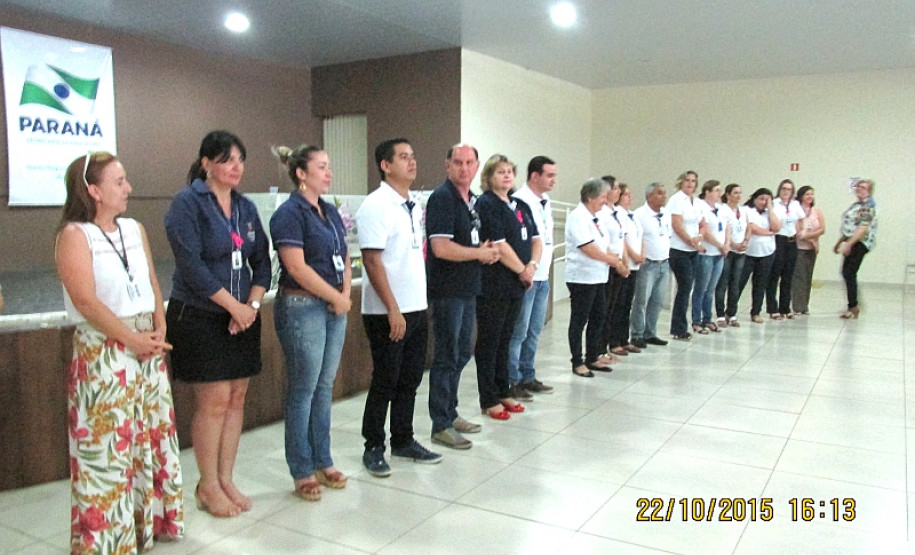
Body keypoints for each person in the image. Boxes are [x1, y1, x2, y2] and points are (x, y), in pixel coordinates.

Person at [58, 152, 183, 552]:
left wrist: (160, 324)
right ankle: (105, 538)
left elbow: (149, 279)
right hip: (105, 355)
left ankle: (145, 527)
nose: (128, 188)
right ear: (93, 191)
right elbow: (87, 302)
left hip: (145, 347)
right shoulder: (75, 236)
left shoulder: (134, 228)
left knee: (149, 438)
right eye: (119, 182)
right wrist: (130, 340)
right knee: (107, 448)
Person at [164, 131, 269, 517]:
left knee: (236, 397)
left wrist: (251, 305)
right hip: (200, 316)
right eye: (227, 159)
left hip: (244, 316)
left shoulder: (245, 207)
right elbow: (192, 267)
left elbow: (263, 262)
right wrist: (233, 308)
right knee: (214, 401)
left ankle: (226, 478)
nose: (236, 167)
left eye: (240, 159)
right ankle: (206, 485)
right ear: (207, 163)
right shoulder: (187, 204)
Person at [270, 144, 352, 501]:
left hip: (335, 305)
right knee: (303, 389)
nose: (327, 172)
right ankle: (301, 468)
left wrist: (344, 293)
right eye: (320, 167)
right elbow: (297, 267)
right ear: (301, 173)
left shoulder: (330, 211)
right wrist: (335, 297)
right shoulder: (289, 213)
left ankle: (323, 458)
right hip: (303, 305)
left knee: (324, 386)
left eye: (329, 166)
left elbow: (345, 255)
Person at [357, 139, 442, 478]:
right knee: (386, 379)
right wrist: (392, 308)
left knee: (409, 378)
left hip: (416, 306)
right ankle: (373, 446)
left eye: (413, 155)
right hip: (386, 311)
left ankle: (403, 439)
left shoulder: (414, 204)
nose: (412, 162)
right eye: (403, 157)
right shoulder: (376, 205)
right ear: (385, 165)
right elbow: (372, 260)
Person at [426, 143, 500, 450]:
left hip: (468, 288)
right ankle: (440, 423)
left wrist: (483, 250)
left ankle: (451, 412)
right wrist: (478, 253)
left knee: (460, 354)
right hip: (448, 292)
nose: (464, 168)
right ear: (447, 165)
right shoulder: (442, 199)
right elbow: (440, 247)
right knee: (445, 357)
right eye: (458, 162)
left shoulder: (471, 201)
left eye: (469, 162)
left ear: (477, 165)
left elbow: (468, 239)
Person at [474, 154, 540, 419]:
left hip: (517, 284)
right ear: (489, 177)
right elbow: (499, 246)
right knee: (490, 341)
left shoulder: (520, 205)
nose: (506, 176)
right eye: (500, 172)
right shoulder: (486, 204)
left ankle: (503, 389)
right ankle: (488, 397)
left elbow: (536, 238)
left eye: (510, 171)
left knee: (506, 339)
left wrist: (532, 265)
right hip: (494, 284)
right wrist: (523, 270)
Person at [506, 156, 557, 401]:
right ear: (534, 176)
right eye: (549, 175)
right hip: (526, 276)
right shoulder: (520, 201)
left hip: (543, 274)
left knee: (535, 330)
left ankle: (528, 375)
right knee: (519, 332)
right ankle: (512, 379)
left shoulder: (545, 200)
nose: (553, 180)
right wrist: (526, 269)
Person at [565, 178, 621, 377]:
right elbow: (587, 247)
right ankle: (577, 361)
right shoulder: (577, 216)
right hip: (582, 277)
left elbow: (602, 244)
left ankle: (592, 357)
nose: (605, 201)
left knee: (598, 317)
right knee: (579, 320)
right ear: (590, 197)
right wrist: (610, 259)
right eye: (603, 197)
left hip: (598, 276)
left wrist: (612, 257)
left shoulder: (595, 217)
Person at [629, 182, 671, 349]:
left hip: (664, 263)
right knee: (641, 301)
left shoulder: (666, 214)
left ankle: (650, 332)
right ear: (649, 196)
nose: (663, 196)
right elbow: (634, 238)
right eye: (659, 193)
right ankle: (637, 334)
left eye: (664, 193)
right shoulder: (639, 214)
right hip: (648, 264)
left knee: (657, 301)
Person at [667, 171, 706, 340]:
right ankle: (678, 327)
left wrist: (700, 237)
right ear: (681, 182)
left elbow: (702, 224)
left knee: (689, 287)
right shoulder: (676, 200)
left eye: (693, 181)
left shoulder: (697, 202)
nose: (690, 184)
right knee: (684, 287)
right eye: (687, 181)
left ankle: (684, 323)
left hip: (693, 249)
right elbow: (677, 225)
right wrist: (690, 240)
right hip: (679, 249)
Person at [833, 179, 877, 319]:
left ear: (869, 191)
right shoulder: (857, 205)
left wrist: (849, 243)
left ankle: (853, 306)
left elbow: (862, 229)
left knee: (849, 272)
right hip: (851, 241)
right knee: (847, 272)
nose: (859, 189)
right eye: (858, 186)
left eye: (863, 187)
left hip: (860, 243)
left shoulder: (867, 206)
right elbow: (849, 226)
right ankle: (853, 305)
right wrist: (840, 242)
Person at [608, 183, 644, 353]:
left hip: (634, 265)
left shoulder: (632, 215)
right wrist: (629, 258)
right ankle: (614, 341)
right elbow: (624, 241)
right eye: (626, 194)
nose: (630, 197)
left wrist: (641, 254)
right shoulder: (617, 213)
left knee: (627, 305)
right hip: (623, 264)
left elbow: (640, 236)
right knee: (618, 305)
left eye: (630, 194)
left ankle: (624, 338)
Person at [737, 188, 781, 323]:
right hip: (748, 252)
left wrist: (770, 208)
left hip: (767, 252)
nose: (763, 202)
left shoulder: (771, 212)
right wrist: (769, 233)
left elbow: (777, 227)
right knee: (739, 282)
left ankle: (755, 312)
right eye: (761, 199)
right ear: (754, 198)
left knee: (760, 284)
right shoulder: (746, 210)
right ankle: (730, 311)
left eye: (767, 200)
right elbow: (752, 228)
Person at [598, 176, 631, 358]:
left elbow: (621, 240)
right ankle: (599, 349)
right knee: (604, 310)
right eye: (616, 188)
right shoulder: (601, 212)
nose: (618, 191)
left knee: (615, 308)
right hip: (608, 265)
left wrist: (625, 262)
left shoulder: (616, 212)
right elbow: (604, 242)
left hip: (619, 264)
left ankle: (610, 344)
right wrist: (617, 263)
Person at [765, 179, 806, 320]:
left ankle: (785, 307)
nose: (786, 191)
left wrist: (801, 231)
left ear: (792, 191)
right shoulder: (774, 203)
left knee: (788, 276)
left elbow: (801, 220)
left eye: (789, 189)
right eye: (783, 188)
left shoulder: (795, 205)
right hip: (778, 240)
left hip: (792, 240)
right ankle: (772, 308)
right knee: (774, 275)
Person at [692, 180, 729, 333]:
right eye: (716, 190)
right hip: (707, 253)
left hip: (719, 254)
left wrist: (727, 244)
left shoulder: (721, 208)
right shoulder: (700, 207)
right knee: (701, 288)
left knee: (711, 289)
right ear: (707, 191)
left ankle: (707, 318)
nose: (719, 194)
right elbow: (704, 231)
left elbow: (727, 227)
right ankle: (696, 320)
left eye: (720, 191)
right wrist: (719, 245)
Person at [715, 184, 751, 327]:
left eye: (740, 193)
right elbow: (725, 229)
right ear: (728, 195)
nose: (738, 195)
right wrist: (733, 244)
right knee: (723, 283)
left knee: (736, 284)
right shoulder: (722, 210)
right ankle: (720, 314)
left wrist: (746, 241)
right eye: (735, 193)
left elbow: (748, 227)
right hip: (728, 251)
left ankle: (732, 312)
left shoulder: (743, 210)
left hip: (741, 252)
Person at [791, 186, 825, 315]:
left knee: (808, 277)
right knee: (799, 277)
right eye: (807, 194)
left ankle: (805, 306)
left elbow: (822, 229)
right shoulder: (796, 211)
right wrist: (810, 239)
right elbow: (798, 232)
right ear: (801, 196)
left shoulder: (817, 211)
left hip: (812, 249)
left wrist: (811, 239)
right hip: (799, 248)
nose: (810, 196)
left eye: (812, 194)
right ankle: (797, 306)